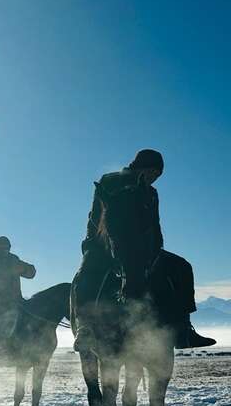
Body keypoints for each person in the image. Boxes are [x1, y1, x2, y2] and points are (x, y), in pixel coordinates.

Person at [72, 149, 214, 351]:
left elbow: (155, 225)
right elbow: (96, 216)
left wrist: (156, 249)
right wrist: (91, 244)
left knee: (182, 267)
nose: (154, 178)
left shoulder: (152, 193)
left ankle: (183, 328)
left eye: (157, 175)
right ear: (140, 166)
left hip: (143, 248)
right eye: (152, 172)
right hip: (106, 245)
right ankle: (85, 328)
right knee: (85, 275)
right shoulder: (111, 181)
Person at [0, 236, 36, 342]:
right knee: (2, 327)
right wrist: (8, 271)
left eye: (6, 247)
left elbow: (31, 273)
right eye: (2, 247)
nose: (4, 249)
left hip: (17, 301)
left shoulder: (13, 259)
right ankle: (0, 349)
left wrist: (26, 269)